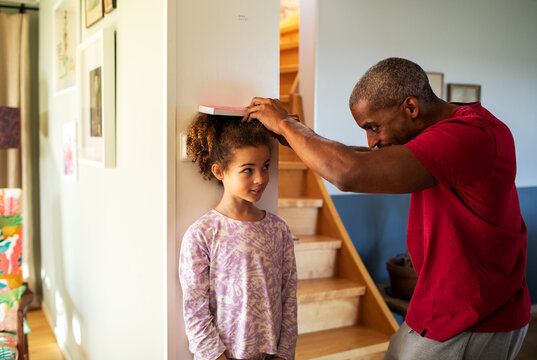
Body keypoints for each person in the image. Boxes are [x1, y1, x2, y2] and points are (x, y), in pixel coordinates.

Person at [243, 57, 530, 360]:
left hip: (477, 315)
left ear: (410, 108)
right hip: (439, 302)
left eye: (373, 127)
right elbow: (362, 159)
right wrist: (298, 137)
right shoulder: (442, 127)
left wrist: (288, 126)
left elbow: (350, 171)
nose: (370, 141)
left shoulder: (470, 135)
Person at [179, 113, 298, 360]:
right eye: (247, 170)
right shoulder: (202, 234)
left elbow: (288, 298)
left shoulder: (278, 230)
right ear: (220, 171)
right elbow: (195, 310)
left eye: (265, 166)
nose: (260, 178)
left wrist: (284, 353)